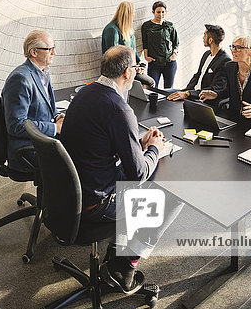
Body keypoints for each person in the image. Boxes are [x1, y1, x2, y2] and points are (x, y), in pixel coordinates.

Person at [60, 45, 183, 294]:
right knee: (173, 193)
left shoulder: (85, 93)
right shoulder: (119, 108)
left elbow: (99, 143)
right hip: (96, 203)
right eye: (135, 70)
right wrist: (155, 150)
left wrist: (138, 144)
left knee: (133, 178)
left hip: (70, 192)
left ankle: (118, 251)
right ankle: (127, 263)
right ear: (128, 73)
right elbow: (139, 172)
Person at [2, 30, 64, 172]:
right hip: (28, 149)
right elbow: (16, 125)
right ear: (34, 52)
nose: (54, 53)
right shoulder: (20, 79)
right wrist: (56, 128)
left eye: (54, 48)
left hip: (42, 141)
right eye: (49, 49)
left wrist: (56, 117)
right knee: (81, 155)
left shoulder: (43, 72)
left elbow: (43, 109)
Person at [200, 35, 251, 128]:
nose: (233, 50)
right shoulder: (229, 67)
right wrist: (216, 94)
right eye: (232, 47)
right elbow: (228, 91)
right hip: (234, 119)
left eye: (238, 48)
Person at [167, 24, 230, 102]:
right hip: (191, 93)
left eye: (204, 35)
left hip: (200, 98)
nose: (203, 38)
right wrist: (185, 91)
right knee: (165, 93)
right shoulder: (206, 54)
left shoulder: (225, 61)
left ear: (210, 40)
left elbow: (215, 88)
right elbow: (197, 75)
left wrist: (188, 93)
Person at [141, 1, 179, 88]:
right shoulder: (146, 26)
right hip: (154, 63)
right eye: (158, 12)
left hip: (169, 62)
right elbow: (145, 43)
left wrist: (174, 54)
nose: (161, 14)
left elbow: (176, 42)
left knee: (169, 89)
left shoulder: (170, 25)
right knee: (152, 88)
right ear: (153, 12)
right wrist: (146, 57)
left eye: (163, 12)